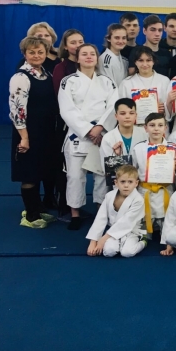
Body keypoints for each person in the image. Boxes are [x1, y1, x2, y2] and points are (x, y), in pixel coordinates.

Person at [59, 43, 118, 230]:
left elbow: (113, 106)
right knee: (75, 176)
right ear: (77, 58)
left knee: (102, 176)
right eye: (84, 54)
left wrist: (100, 127)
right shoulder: (69, 81)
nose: (89, 57)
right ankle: (75, 213)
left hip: (102, 135)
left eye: (92, 54)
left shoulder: (107, 81)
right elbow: (67, 109)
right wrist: (87, 130)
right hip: (78, 135)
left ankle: (101, 211)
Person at [10, 36, 60, 228]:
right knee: (29, 173)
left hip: (45, 131)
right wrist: (24, 138)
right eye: (32, 52)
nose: (37, 55)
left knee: (41, 170)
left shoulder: (45, 74)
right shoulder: (21, 77)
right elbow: (17, 110)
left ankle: (38, 209)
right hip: (28, 132)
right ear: (25, 54)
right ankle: (30, 216)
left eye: (40, 52)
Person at [132, 112, 176, 236]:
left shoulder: (173, 148)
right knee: (141, 234)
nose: (156, 128)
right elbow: (132, 172)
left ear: (165, 128)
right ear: (145, 128)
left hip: (165, 191)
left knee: (168, 233)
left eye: (160, 125)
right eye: (152, 125)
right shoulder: (138, 148)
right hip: (145, 192)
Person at [86, 165, 147, 258]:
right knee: (108, 252)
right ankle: (118, 245)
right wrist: (93, 241)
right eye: (122, 181)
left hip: (132, 231)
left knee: (127, 252)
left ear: (136, 183)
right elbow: (100, 218)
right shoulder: (109, 196)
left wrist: (103, 239)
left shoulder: (138, 200)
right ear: (116, 182)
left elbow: (126, 222)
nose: (126, 185)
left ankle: (143, 242)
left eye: (130, 182)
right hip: (113, 230)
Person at [88, 98, 146, 188]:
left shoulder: (145, 134)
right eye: (123, 113)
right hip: (119, 186)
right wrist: (117, 157)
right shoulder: (108, 138)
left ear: (136, 115)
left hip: (142, 184)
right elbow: (108, 170)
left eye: (131, 113)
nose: (127, 116)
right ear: (116, 116)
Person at [119, 47, 172, 126]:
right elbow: (121, 108)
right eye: (141, 60)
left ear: (153, 61)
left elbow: (170, 107)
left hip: (159, 127)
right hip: (136, 128)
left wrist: (164, 108)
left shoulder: (165, 81)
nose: (144, 64)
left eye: (148, 60)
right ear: (135, 62)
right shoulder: (126, 83)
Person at [98, 24, 129, 88]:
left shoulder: (125, 61)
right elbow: (107, 86)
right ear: (109, 39)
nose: (121, 41)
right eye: (117, 38)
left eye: (124, 38)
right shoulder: (105, 60)